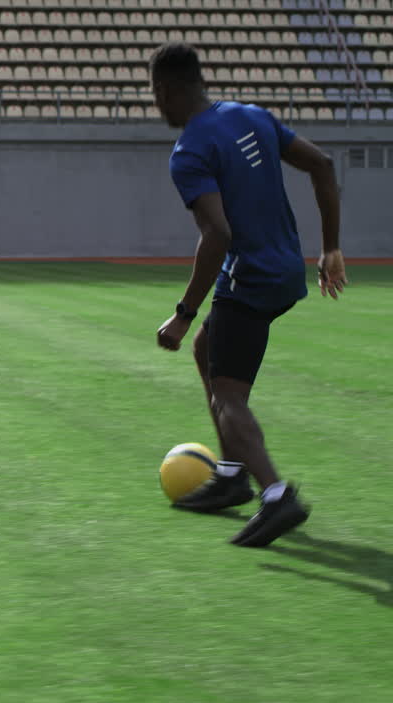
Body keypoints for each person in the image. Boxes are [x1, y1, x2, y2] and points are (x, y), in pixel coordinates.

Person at [149, 43, 347, 547]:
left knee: (228, 395)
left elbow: (217, 235)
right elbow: (322, 165)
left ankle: (276, 494)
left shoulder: (190, 151)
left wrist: (182, 314)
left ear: (167, 91)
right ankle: (232, 474)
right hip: (287, 269)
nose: (157, 106)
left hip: (250, 278)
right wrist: (331, 249)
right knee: (206, 352)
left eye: (155, 95)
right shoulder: (251, 115)